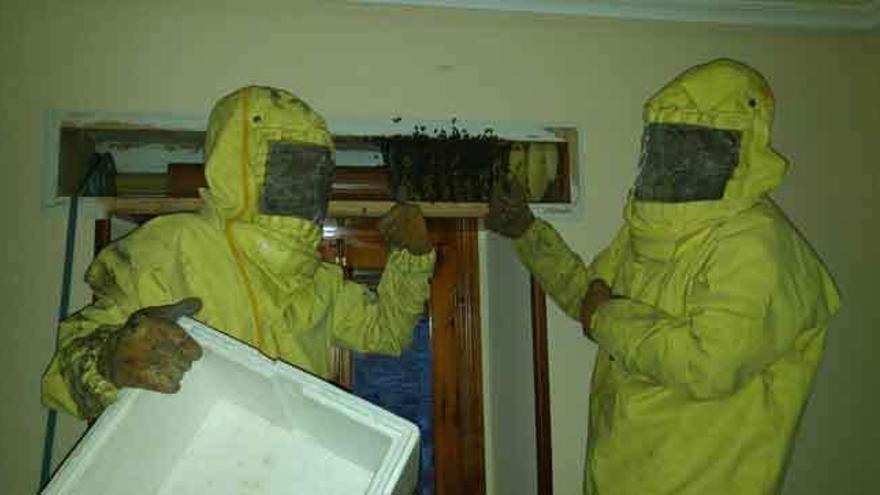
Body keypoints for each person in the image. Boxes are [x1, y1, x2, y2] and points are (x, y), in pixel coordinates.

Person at [486, 59, 840, 494]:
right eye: (667, 142)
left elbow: (708, 364)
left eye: (692, 144)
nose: (675, 159)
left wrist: (605, 317)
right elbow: (589, 300)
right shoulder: (648, 231)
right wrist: (528, 233)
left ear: (735, 149)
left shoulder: (760, 246)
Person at [42, 86, 436, 420]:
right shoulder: (172, 245)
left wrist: (413, 257)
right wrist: (110, 359)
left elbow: (386, 333)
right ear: (240, 165)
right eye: (290, 165)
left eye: (316, 171)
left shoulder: (315, 278)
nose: (304, 184)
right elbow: (63, 373)